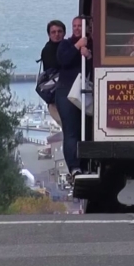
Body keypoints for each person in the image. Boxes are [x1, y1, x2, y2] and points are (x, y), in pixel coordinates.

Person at [56, 16, 94, 180]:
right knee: (71, 131)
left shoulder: (92, 44)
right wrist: (78, 46)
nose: (77, 28)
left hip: (86, 91)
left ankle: (86, 164)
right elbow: (63, 60)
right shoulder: (65, 44)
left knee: (86, 129)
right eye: (75, 26)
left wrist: (89, 55)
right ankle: (74, 167)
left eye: (80, 26)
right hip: (66, 92)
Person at [40, 20, 66, 127]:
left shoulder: (66, 46)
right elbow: (58, 65)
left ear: (64, 33)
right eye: (53, 32)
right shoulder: (47, 50)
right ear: (49, 35)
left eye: (59, 31)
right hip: (54, 97)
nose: (57, 34)